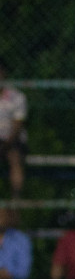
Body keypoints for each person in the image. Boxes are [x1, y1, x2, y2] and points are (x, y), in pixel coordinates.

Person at [0, 61, 25, 196]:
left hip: (11, 140)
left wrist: (7, 144)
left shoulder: (16, 97)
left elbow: (17, 125)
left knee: (14, 157)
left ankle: (16, 199)